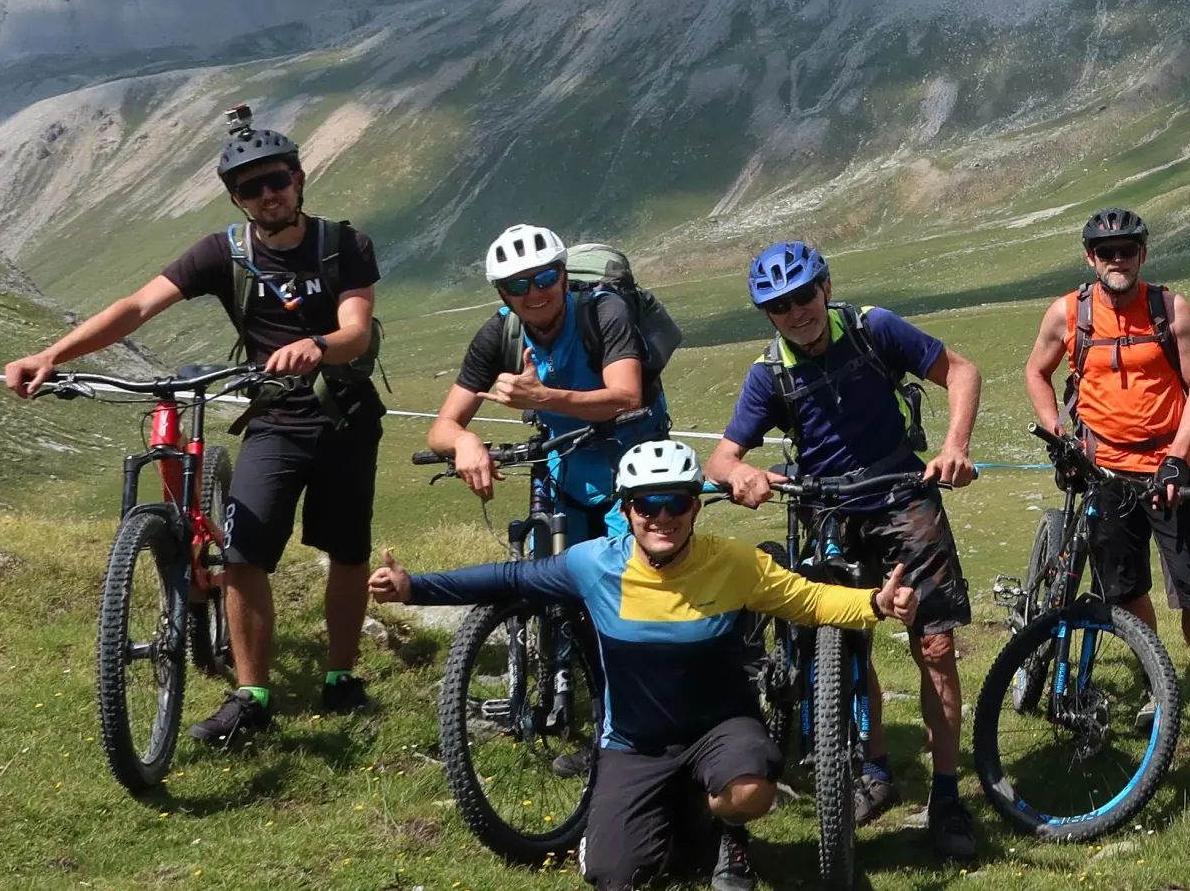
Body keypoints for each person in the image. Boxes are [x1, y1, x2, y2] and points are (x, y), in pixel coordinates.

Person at [368, 441, 918, 891]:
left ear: (696, 507)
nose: (662, 517)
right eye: (647, 503)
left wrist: (875, 604)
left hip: (719, 729)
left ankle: (731, 834)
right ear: (626, 509)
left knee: (753, 790)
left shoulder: (733, 562)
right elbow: (509, 580)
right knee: (614, 874)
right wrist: (414, 587)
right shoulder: (595, 565)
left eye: (676, 502)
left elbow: (809, 600)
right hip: (634, 742)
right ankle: (681, 816)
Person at [2, 106, 384, 739]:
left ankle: (341, 678)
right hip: (274, 421)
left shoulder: (345, 245)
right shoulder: (221, 253)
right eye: (251, 188)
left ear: (299, 178)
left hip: (342, 415)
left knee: (346, 551)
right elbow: (135, 307)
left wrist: (316, 345)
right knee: (241, 553)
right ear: (237, 198)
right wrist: (50, 355)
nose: (268, 195)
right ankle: (252, 696)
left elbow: (355, 332)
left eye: (277, 181)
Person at [702, 241, 982, 858]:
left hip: (902, 496)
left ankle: (946, 794)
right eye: (779, 306)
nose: (796, 312)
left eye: (804, 295)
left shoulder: (873, 329)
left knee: (934, 646)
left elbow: (961, 371)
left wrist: (955, 444)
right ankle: (873, 772)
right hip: (824, 507)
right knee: (845, 646)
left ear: (825, 288)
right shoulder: (768, 373)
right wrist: (736, 476)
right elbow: (721, 456)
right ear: (767, 314)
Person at [427, 224, 669, 777]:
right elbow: (443, 424)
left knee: (626, 602)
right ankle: (593, 715)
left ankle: (636, 738)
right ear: (502, 295)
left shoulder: (603, 312)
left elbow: (626, 394)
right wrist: (465, 442)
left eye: (545, 277)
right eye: (518, 285)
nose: (535, 292)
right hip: (562, 472)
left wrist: (543, 397)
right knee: (562, 596)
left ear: (563, 274)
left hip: (628, 469)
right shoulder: (500, 335)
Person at [1023, 207, 1190, 728]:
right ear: (1091, 257)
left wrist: (1177, 457)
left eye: (1127, 250)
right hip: (1104, 470)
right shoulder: (1068, 313)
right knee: (1124, 586)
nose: (1117, 260)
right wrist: (1058, 435)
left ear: (1142, 253)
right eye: (1106, 252)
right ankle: (1156, 680)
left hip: (1167, 463)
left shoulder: (1170, 309)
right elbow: (1036, 372)